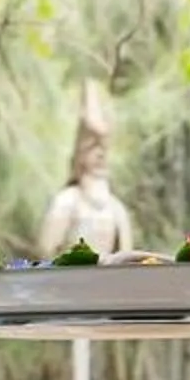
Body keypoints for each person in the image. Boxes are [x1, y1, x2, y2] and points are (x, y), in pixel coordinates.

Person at [37, 82, 134, 256]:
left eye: (104, 149)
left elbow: (125, 260)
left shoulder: (116, 210)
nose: (100, 155)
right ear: (80, 153)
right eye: (93, 147)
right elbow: (46, 253)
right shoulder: (66, 202)